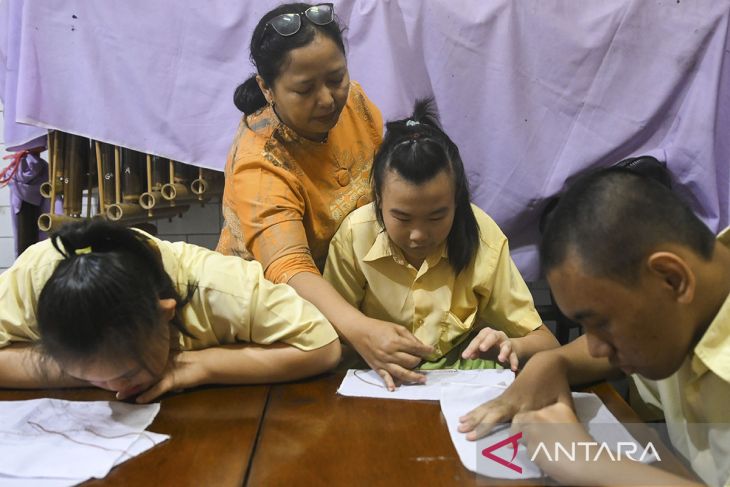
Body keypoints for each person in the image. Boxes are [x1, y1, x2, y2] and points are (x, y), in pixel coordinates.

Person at [458, 168, 729, 486]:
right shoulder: (682, 310)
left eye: (603, 324)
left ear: (672, 278)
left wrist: (592, 464)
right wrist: (555, 361)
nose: (596, 346)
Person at [218, 3, 439, 386]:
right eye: (304, 89)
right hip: (270, 312)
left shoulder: (353, 102)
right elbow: (290, 270)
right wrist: (361, 328)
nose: (327, 99)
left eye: (336, 77)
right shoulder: (260, 163)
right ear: (266, 88)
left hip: (346, 289)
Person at [323, 99, 559, 388]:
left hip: (459, 383)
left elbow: (546, 343)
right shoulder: (355, 235)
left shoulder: (482, 235)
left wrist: (512, 346)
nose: (419, 235)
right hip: (375, 378)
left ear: (457, 201)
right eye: (402, 217)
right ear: (379, 200)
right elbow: (328, 333)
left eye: (437, 217)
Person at [0, 220, 341, 403]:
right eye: (90, 375)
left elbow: (323, 346)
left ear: (165, 314)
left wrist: (196, 367)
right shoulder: (34, 277)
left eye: (127, 373)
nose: (113, 388)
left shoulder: (220, 287)